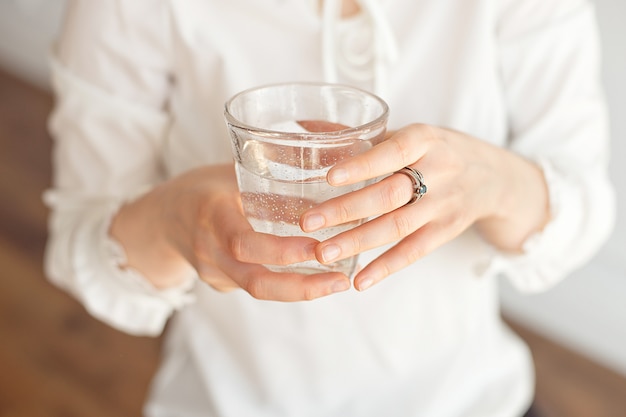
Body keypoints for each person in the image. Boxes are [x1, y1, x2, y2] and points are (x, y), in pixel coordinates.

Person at [44, 0, 615, 416]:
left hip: (473, 399)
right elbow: (79, 247)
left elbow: (586, 208)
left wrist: (492, 182)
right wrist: (171, 220)